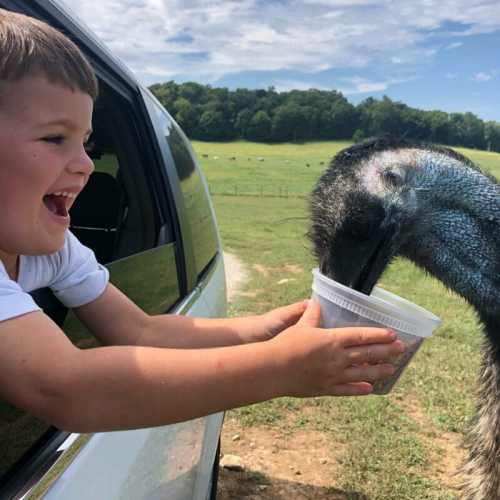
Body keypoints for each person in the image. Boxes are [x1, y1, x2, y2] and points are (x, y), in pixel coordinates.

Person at [0, 8, 404, 433]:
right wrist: (282, 366)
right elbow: (63, 388)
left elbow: (139, 330)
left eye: (86, 142)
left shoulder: (56, 251)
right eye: (54, 138)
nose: (85, 163)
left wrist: (265, 331)